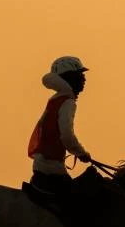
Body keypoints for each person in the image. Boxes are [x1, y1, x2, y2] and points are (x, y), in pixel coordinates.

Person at [27, 55, 92, 195]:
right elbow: (67, 136)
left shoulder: (55, 101)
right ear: (69, 78)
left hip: (43, 166)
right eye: (79, 75)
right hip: (51, 168)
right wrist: (82, 153)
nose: (84, 79)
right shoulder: (67, 102)